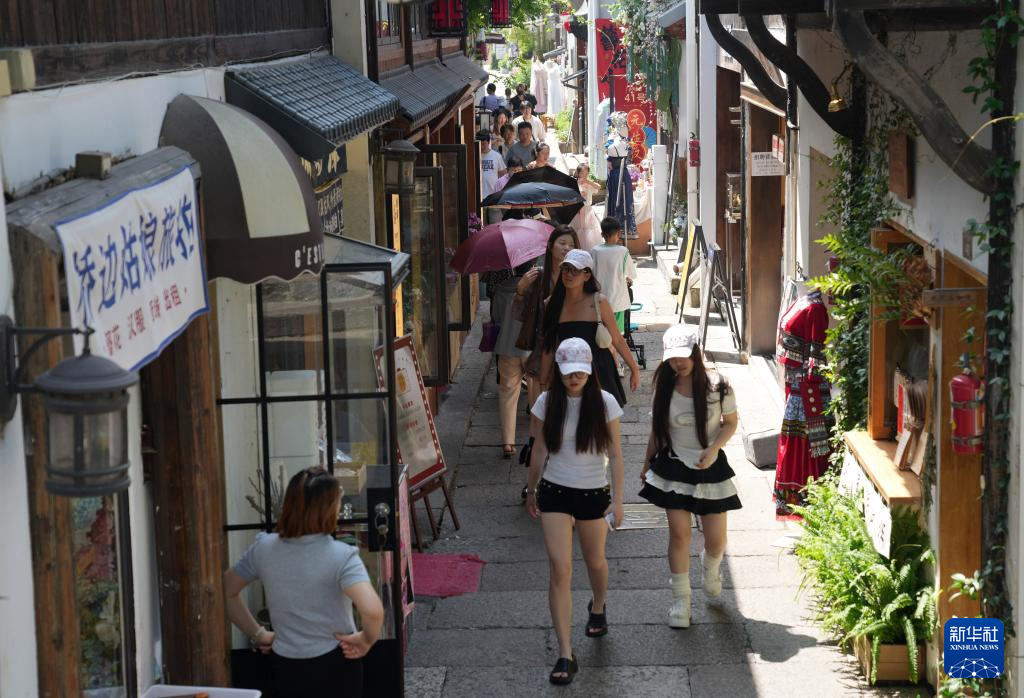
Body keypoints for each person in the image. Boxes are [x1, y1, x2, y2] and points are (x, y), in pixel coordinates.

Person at [224, 467, 384, 698]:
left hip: (285, 664)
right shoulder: (342, 556)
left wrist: (258, 634)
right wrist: (366, 639)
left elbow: (226, 590)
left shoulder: (264, 548)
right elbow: (373, 611)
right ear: (330, 508)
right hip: (336, 663)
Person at [526, 337, 625, 686]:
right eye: (569, 372)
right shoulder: (546, 402)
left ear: (589, 370)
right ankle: (566, 653)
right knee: (560, 568)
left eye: (580, 372)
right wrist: (531, 489)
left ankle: (598, 605)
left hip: (593, 493)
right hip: (555, 491)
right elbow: (539, 449)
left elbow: (615, 454)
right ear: (560, 371)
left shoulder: (605, 402)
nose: (574, 378)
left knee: (595, 561)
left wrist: (618, 499)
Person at [639, 325, 742, 628]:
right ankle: (681, 601)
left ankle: (710, 568)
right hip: (674, 467)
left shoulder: (719, 386)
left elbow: (730, 423)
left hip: (710, 468)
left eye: (683, 356)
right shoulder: (664, 388)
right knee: (679, 534)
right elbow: (658, 431)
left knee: (716, 541)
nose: (678, 363)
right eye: (672, 358)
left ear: (696, 353)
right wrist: (645, 464)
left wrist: (713, 448)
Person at [540, 249, 641, 408]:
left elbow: (617, 339)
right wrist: (543, 382)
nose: (569, 274)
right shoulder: (551, 304)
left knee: (603, 418)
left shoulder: (599, 302)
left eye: (575, 270)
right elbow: (549, 345)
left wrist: (634, 369)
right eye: (565, 269)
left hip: (599, 369)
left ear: (587, 275)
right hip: (567, 370)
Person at [774, 289, 832, 519]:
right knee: (796, 441)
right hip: (798, 385)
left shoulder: (815, 308)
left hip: (807, 389)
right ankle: (798, 501)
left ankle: (810, 502)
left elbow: (816, 353)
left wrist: (811, 385)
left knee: (807, 443)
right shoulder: (805, 301)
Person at [493, 261, 535, 458]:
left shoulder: (501, 289)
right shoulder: (537, 288)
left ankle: (508, 443)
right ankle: (536, 438)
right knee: (536, 393)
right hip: (531, 348)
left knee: (507, 394)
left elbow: (496, 318)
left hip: (507, 346)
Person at [590, 217, 638, 336]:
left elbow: (590, 273)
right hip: (618, 302)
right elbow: (632, 274)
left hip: (599, 302)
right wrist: (626, 278)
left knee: (602, 335)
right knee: (617, 335)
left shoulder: (595, 251)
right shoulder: (623, 251)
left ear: (602, 234)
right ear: (619, 233)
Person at [478, 129, 507, 223]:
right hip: (479, 197)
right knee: (482, 225)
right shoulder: (473, 156)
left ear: (489, 142)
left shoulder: (496, 156)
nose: (482, 146)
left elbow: (503, 174)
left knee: (496, 223)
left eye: (484, 144)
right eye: (480, 144)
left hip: (493, 196)